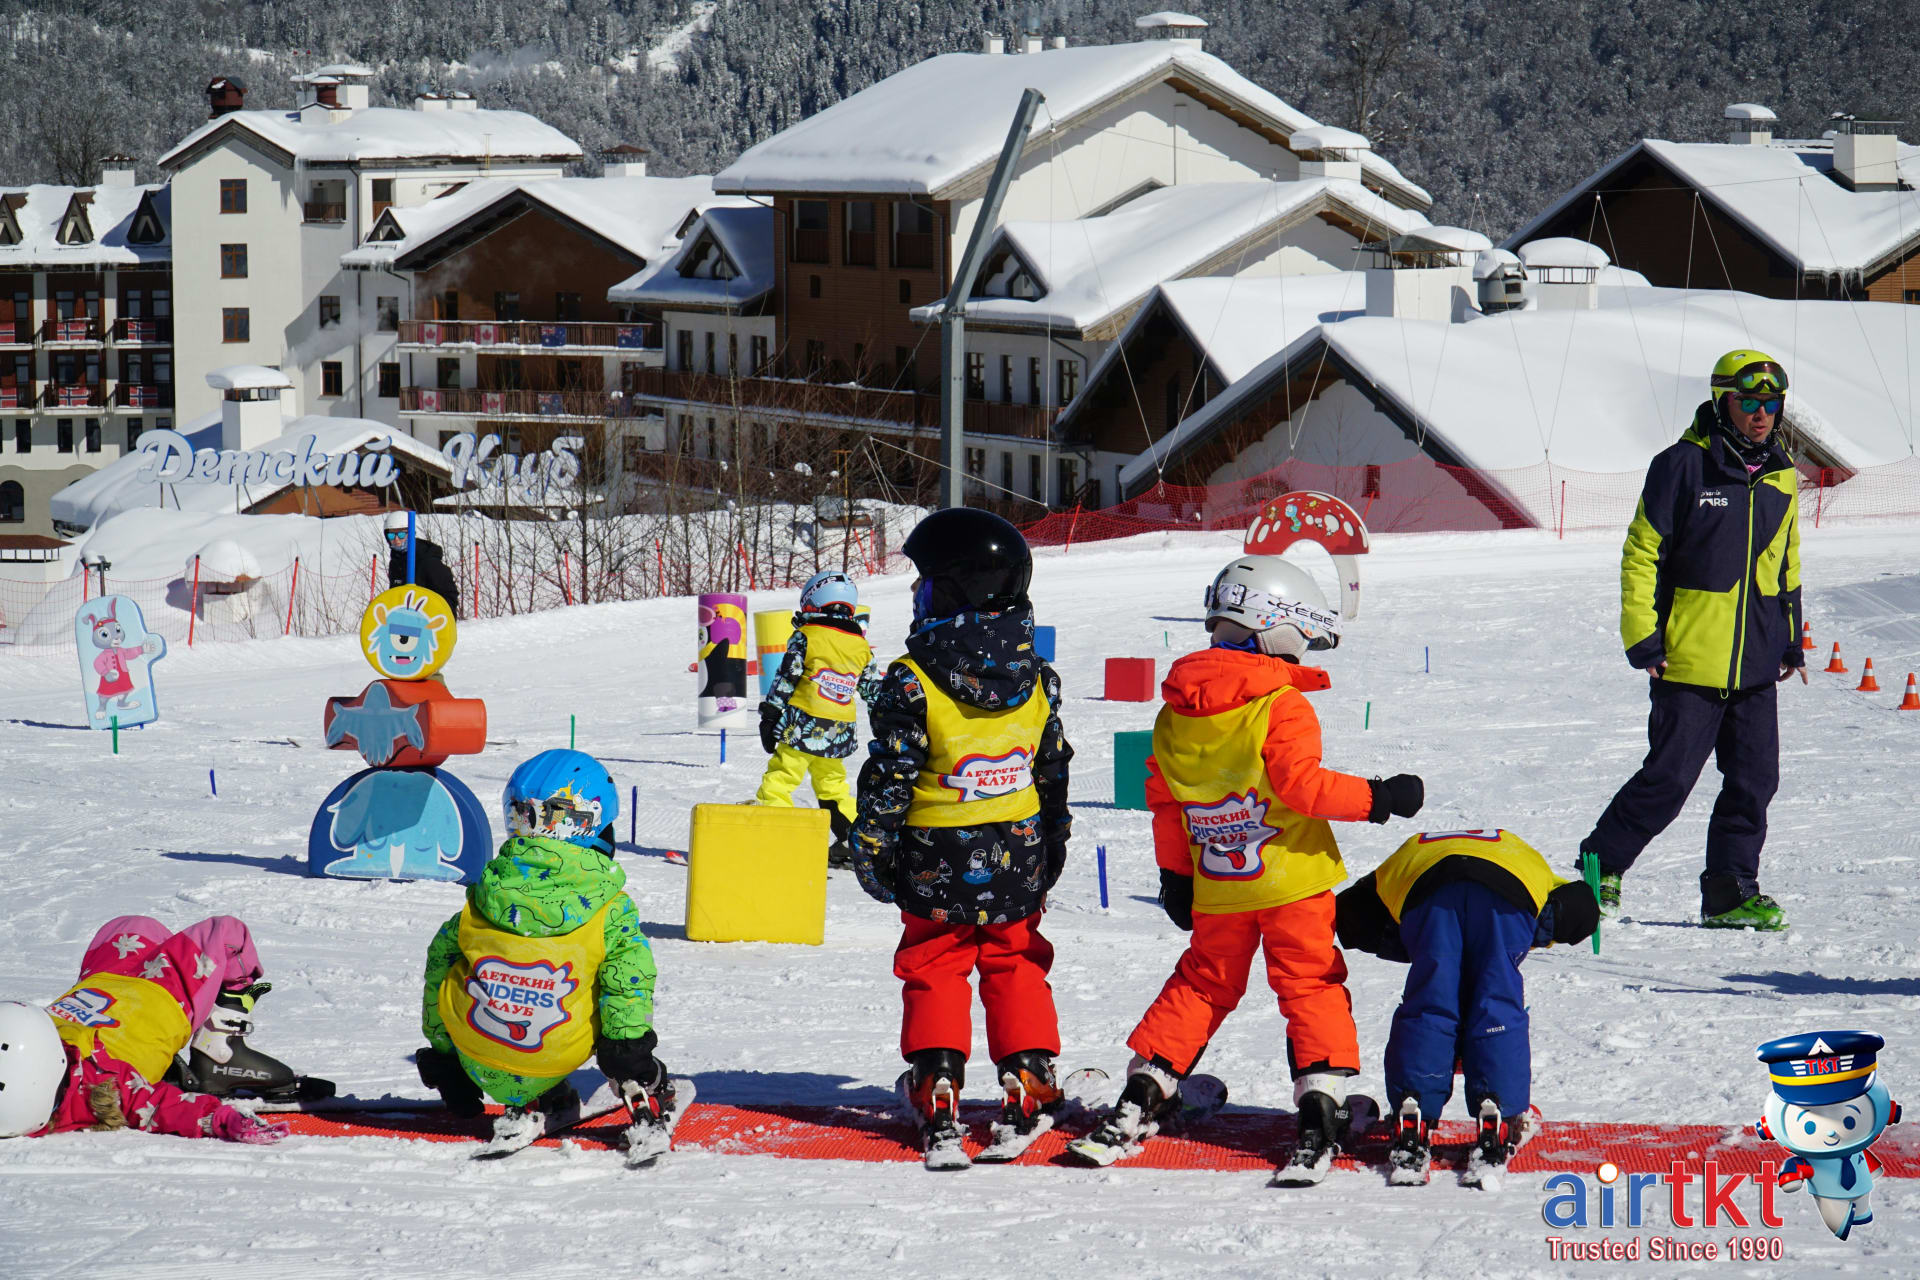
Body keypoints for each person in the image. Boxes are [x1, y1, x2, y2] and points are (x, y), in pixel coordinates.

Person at [1077, 555, 1424, 1183]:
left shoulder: (1174, 713)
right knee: (1309, 984)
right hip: (1292, 881)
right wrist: (1381, 798)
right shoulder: (1280, 704)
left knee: (1204, 984)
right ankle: (1322, 1107)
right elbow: (1303, 788)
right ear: (1275, 626)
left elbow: (1166, 804)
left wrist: (1176, 876)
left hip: (1219, 882)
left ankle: (1146, 1089)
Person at [849, 509, 1073, 1165]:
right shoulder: (1035, 674)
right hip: (1018, 849)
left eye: (925, 588)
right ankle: (1028, 1074)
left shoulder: (910, 680)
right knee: (1015, 956)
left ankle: (936, 1077)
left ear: (954, 592)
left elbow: (889, 778)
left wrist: (872, 849)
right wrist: (1053, 838)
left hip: (933, 856)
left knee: (935, 961)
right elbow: (1051, 764)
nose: (918, 601)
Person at [1578, 350, 1805, 931]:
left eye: (1770, 403)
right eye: (1748, 401)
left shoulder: (1781, 473)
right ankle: (1599, 865)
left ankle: (1730, 893)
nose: (1761, 414)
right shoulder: (1682, 465)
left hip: (1755, 660)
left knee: (1755, 781)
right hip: (1686, 658)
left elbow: (1786, 562)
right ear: (1722, 401)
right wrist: (1644, 639)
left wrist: (1790, 636)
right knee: (1670, 778)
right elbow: (1641, 552)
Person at [417, 750, 668, 1146]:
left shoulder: (484, 895)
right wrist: (628, 1053)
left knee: (459, 956)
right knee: (612, 972)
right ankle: (617, 1080)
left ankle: (527, 1086)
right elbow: (628, 984)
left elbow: (438, 964)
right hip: (555, 1051)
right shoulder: (610, 907)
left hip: (475, 1048)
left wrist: (446, 1056)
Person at [1334, 829, 1599, 1183]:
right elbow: (1578, 908)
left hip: (1426, 889)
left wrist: (1419, 952)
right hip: (1509, 890)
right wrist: (1512, 945)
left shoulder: (1401, 858)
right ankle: (1500, 1113)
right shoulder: (1529, 859)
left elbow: (1353, 915)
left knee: (1430, 1002)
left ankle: (1414, 1109)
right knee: (1496, 1002)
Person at [0, 915, 293, 1144]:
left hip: (105, 984)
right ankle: (220, 1051)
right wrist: (221, 1119)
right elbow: (164, 1107)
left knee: (132, 926)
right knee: (227, 933)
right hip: (163, 995)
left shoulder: (21, 1076)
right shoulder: (103, 1086)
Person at [756, 570, 884, 863]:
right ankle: (852, 840)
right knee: (832, 784)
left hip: (802, 726)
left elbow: (786, 678)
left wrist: (771, 714)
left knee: (782, 777)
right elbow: (872, 690)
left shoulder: (806, 636)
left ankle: (774, 835)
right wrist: (883, 724)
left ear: (812, 602)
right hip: (838, 731)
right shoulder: (862, 646)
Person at [385, 510, 461, 617]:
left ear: (410, 534)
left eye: (401, 534)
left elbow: (449, 595)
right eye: (391, 536)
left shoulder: (428, 561)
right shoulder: (395, 562)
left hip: (429, 622)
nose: (397, 539)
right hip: (405, 622)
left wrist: (442, 620)